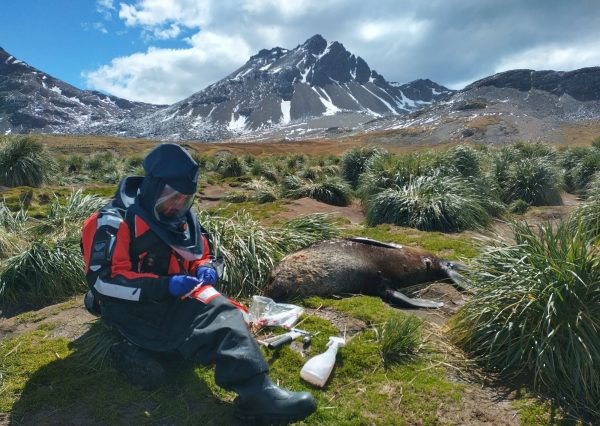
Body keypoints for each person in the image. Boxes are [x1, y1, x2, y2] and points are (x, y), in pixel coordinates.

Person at [81, 143, 316, 423]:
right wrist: (165, 285)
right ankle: (257, 394)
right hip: (129, 306)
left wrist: (207, 268)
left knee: (226, 312)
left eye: (186, 199)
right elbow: (103, 282)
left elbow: (205, 255)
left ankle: (157, 352)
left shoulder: (181, 219)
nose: (179, 205)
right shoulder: (111, 223)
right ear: (153, 187)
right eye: (173, 196)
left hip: (168, 301)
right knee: (215, 310)